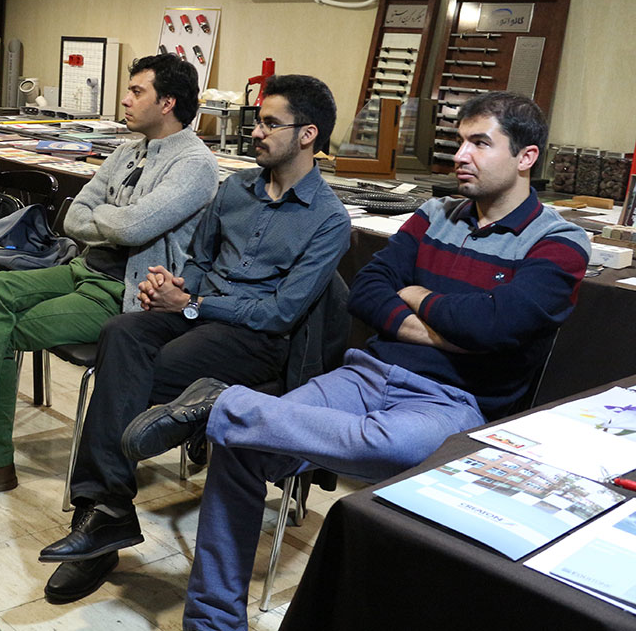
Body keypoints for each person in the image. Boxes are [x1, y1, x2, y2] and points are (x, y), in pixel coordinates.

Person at [120, 91, 592, 630]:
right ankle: (212, 622)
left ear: (526, 157)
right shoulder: (433, 214)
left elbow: (496, 326)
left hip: (453, 401)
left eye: (480, 143)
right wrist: (452, 326)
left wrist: (416, 295)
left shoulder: (560, 241)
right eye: (460, 141)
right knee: (240, 445)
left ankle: (226, 404)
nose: (461, 155)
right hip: (365, 375)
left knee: (379, 443)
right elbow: (367, 292)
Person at [37, 74, 352, 603]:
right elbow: (201, 262)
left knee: (143, 374)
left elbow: (281, 312)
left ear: (307, 135)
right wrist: (175, 286)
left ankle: (105, 515)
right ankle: (110, 507)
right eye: (257, 121)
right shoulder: (235, 189)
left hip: (257, 338)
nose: (256, 132)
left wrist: (194, 304)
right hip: (200, 313)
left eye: (270, 123)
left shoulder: (328, 219)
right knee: (121, 333)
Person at [0, 53, 220, 503]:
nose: (125, 99)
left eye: (136, 91)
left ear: (168, 103)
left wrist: (108, 219)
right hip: (83, 268)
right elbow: (72, 216)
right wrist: (113, 220)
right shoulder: (127, 151)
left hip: (127, 293)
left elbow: (133, 229)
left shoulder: (195, 164)